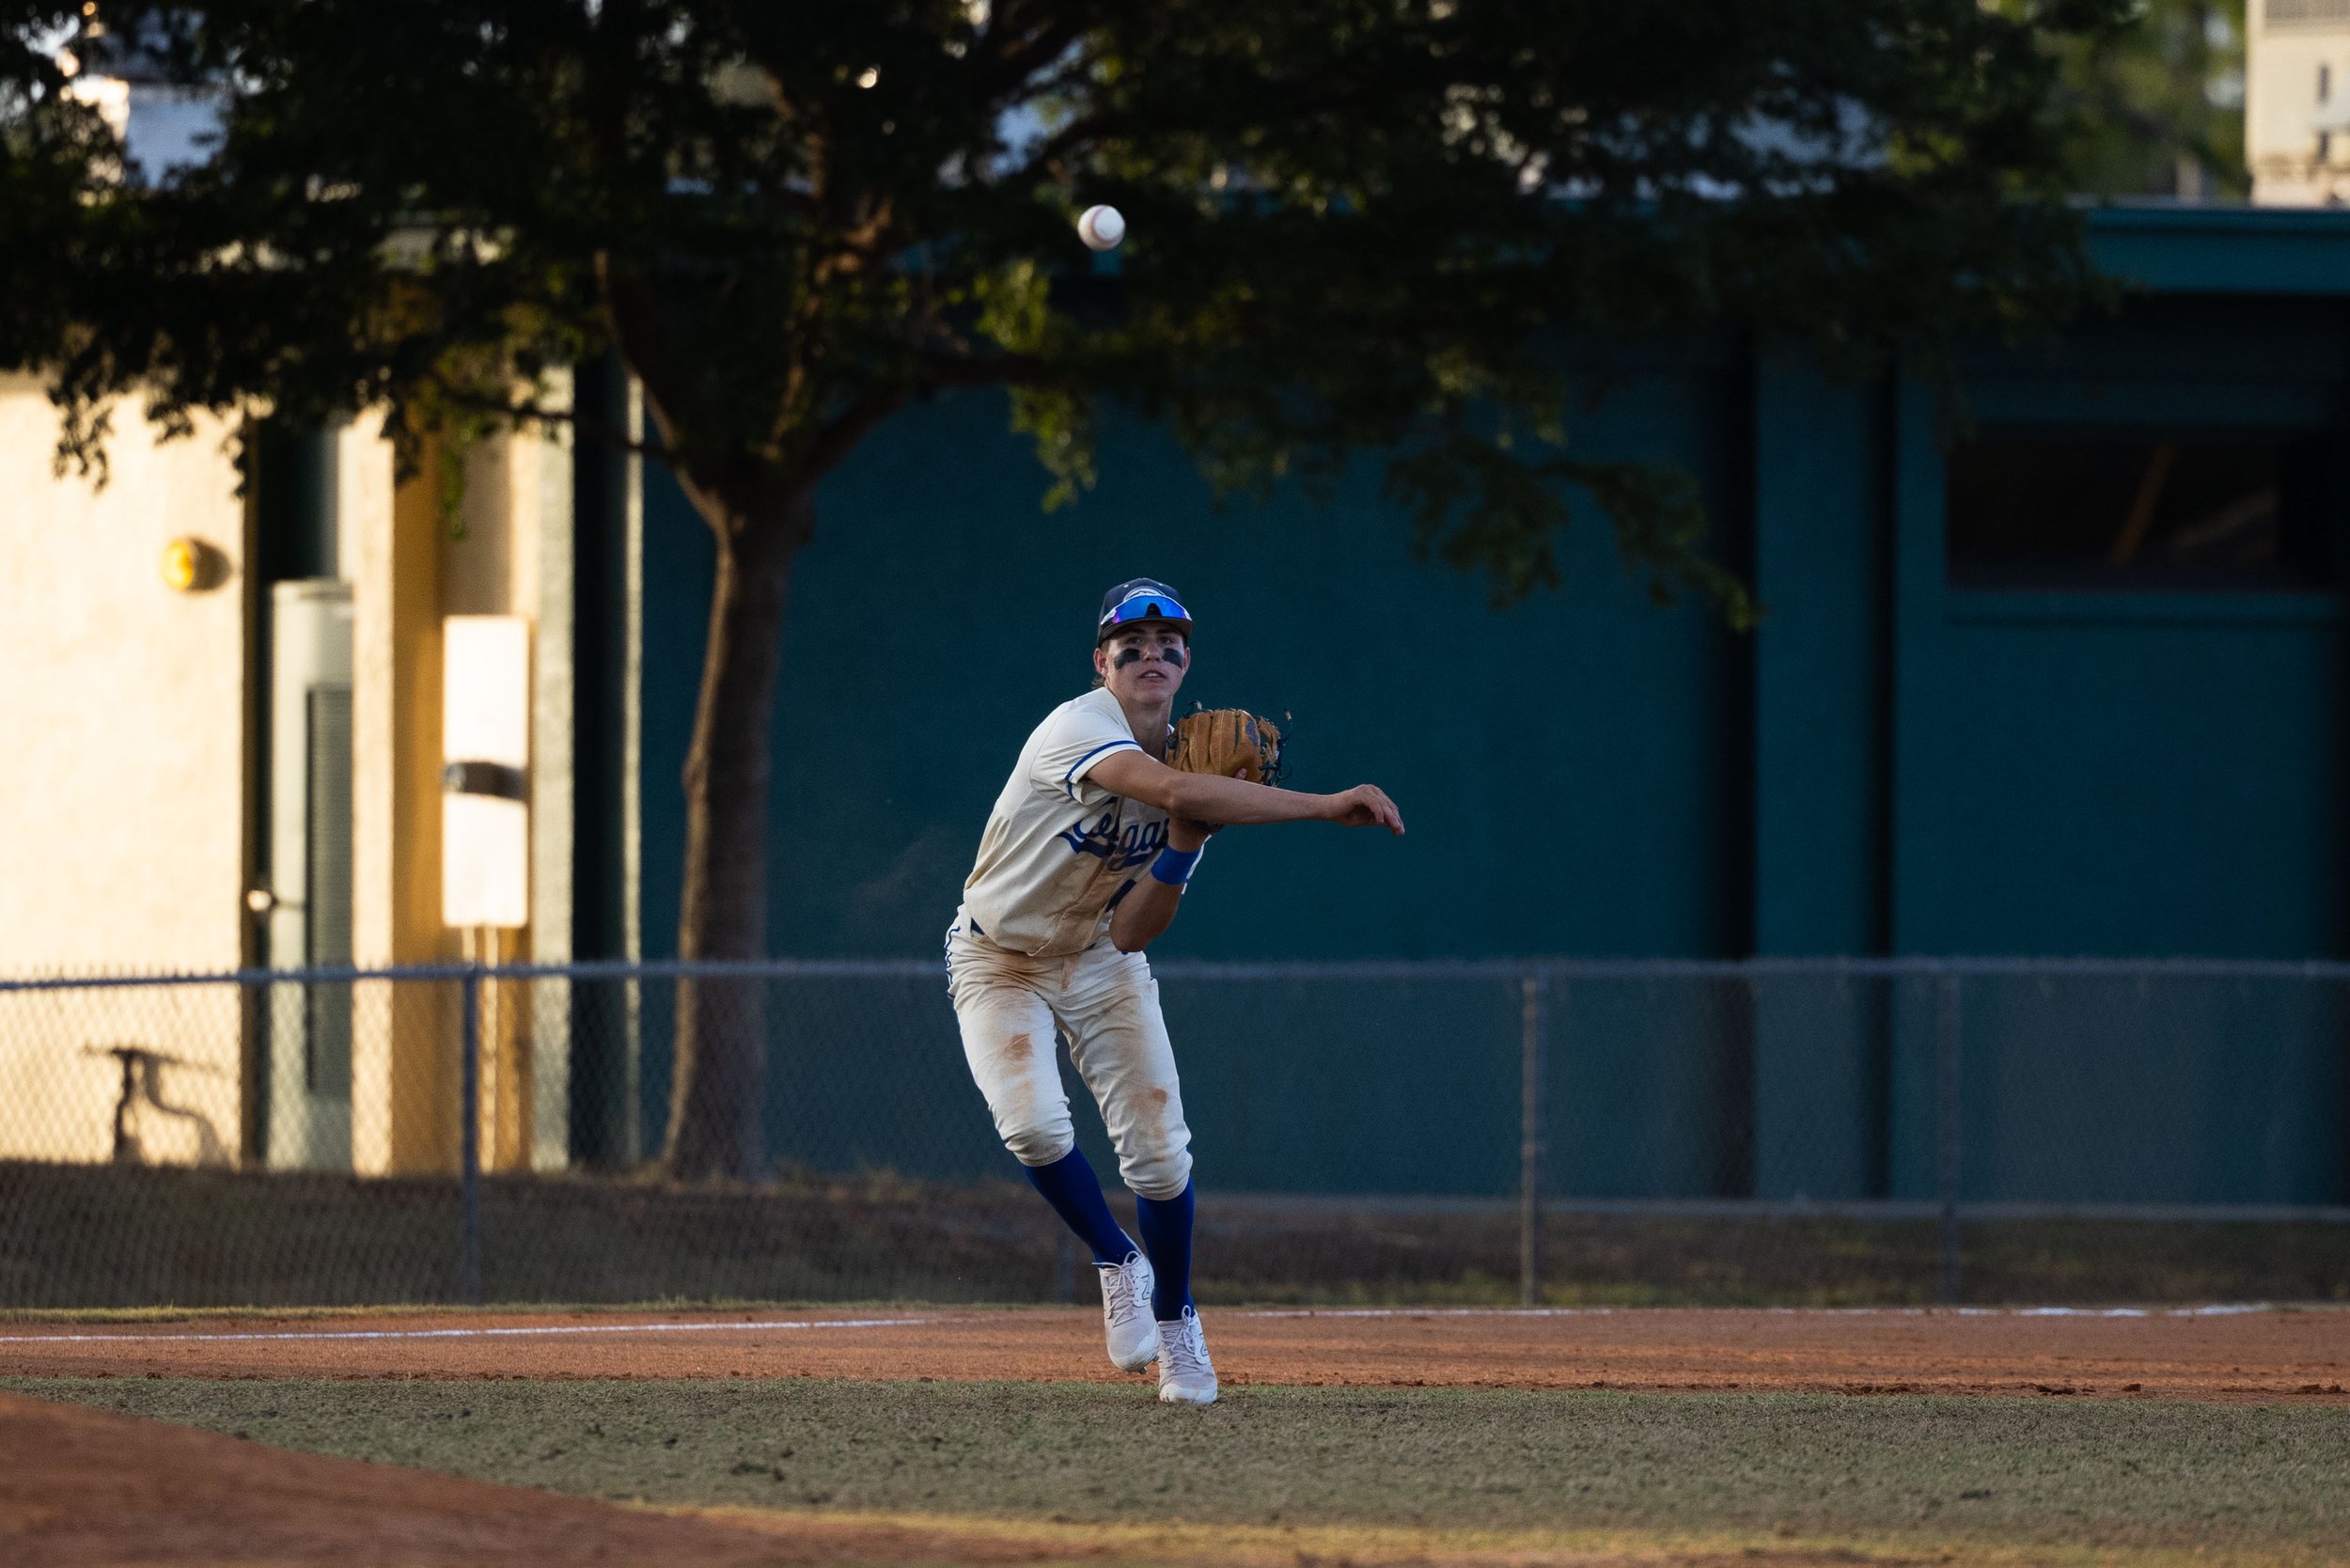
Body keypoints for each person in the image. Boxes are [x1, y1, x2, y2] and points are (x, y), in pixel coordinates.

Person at [946, 577, 1406, 1404]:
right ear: (1102, 662)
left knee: (1161, 1157)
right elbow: (1173, 793)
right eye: (1132, 643)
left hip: (1099, 958)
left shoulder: (1199, 765)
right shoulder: (1078, 727)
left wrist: (1186, 847)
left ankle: (1178, 1322)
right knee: (1032, 1125)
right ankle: (1117, 1258)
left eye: (1168, 643)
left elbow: (1132, 930)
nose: (1151, 653)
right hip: (997, 956)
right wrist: (1325, 805)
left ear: (1186, 660)